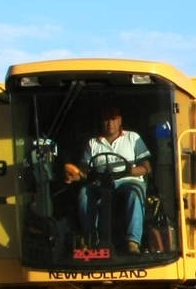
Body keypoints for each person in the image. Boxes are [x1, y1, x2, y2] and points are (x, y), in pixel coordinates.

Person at [64, 106, 152, 253]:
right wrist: (76, 175)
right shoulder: (92, 143)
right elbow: (85, 170)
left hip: (128, 181)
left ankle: (133, 242)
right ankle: (91, 239)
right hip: (101, 183)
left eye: (113, 119)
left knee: (135, 193)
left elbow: (147, 167)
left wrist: (132, 170)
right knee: (84, 193)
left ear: (120, 120)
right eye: (106, 119)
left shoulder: (133, 138)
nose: (110, 123)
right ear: (101, 122)